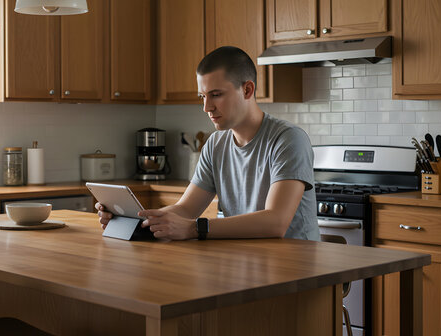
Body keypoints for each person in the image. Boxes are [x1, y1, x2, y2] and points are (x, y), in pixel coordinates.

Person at [96, 46, 319, 241]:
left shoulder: (288, 139)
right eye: (203, 96)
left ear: (247, 90)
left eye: (216, 94)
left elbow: (276, 222)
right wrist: (137, 221)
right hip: (249, 262)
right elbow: (186, 208)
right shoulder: (216, 144)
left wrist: (194, 228)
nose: (207, 107)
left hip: (297, 269)